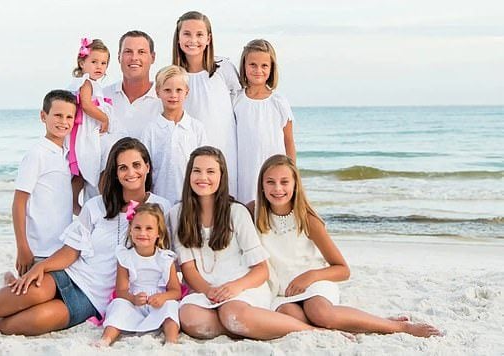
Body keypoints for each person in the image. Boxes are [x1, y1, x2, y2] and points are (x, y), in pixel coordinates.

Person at [0, 138, 171, 335]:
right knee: (34, 289)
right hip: (73, 275)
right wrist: (40, 269)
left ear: (147, 167)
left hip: (97, 298)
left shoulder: (162, 208)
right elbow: (72, 251)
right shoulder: (97, 206)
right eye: (123, 167)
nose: (131, 173)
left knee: (35, 321)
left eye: (136, 165)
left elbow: (167, 256)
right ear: (115, 173)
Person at [251, 154, 442, 337]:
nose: (277, 188)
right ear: (261, 185)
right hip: (281, 290)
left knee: (320, 314)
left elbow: (343, 270)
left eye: (284, 182)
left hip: (314, 282)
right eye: (270, 182)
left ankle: (398, 326)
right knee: (290, 315)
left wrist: (309, 276)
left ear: (295, 184)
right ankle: (343, 328)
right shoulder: (253, 212)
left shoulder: (307, 219)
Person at [169, 146, 315, 340]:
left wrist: (235, 287)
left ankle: (309, 330)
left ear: (221, 176)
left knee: (232, 313)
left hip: (244, 286)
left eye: (211, 171)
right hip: (207, 290)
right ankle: (253, 326)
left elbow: (261, 270)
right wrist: (208, 290)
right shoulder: (177, 214)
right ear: (189, 174)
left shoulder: (236, 212)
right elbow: (189, 270)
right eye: (197, 171)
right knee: (190, 318)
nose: (203, 177)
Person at [172, 11, 240, 196]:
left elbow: (239, 105)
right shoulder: (174, 75)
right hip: (189, 151)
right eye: (186, 34)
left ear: (209, 38)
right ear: (178, 38)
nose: (193, 40)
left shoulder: (223, 68)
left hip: (224, 149)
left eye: (199, 34)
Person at [12, 89, 76, 276]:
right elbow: (19, 203)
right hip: (38, 248)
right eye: (57, 115)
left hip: (60, 248)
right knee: (26, 299)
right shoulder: (37, 154)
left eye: (69, 117)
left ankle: (6, 282)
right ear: (43, 116)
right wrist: (23, 247)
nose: (63, 122)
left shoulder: (67, 154)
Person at [98, 203, 181, 346]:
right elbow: (121, 290)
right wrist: (133, 298)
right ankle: (106, 339)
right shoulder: (125, 257)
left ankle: (171, 341)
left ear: (158, 233)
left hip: (157, 303)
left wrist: (163, 297)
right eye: (137, 228)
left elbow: (176, 291)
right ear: (130, 230)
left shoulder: (165, 259)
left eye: (149, 229)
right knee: (118, 305)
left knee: (171, 306)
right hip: (134, 303)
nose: (142, 233)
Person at [235, 39, 296, 204]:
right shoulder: (236, 100)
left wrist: (292, 174)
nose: (258, 70)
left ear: (271, 68)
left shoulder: (278, 102)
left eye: (264, 66)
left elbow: (288, 141)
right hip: (245, 171)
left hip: (273, 172)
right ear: (244, 66)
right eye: (253, 65)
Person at [67, 37, 124, 202]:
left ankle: (79, 201)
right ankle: (102, 198)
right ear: (82, 62)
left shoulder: (92, 84)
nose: (99, 66)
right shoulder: (86, 82)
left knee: (84, 169)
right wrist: (104, 119)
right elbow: (85, 105)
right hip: (88, 131)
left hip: (91, 128)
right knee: (96, 164)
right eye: (94, 61)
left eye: (103, 63)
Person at [141, 65, 207, 204]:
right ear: (158, 92)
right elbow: (144, 169)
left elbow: (204, 166)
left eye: (179, 90)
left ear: (186, 92)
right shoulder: (151, 130)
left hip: (190, 202)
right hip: (158, 202)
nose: (173, 95)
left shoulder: (196, 128)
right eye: (167, 90)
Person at [104, 31, 162, 140]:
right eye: (128, 51)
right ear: (118, 57)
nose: (134, 57)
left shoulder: (165, 100)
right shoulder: (102, 97)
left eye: (141, 52)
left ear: (153, 57)